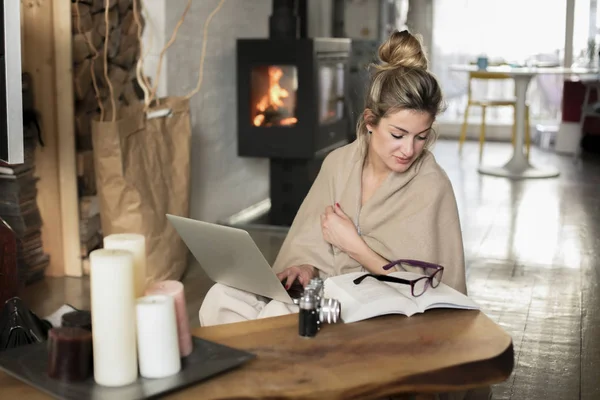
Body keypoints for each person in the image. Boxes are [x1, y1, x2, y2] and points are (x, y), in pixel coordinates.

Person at [199, 29, 467, 326]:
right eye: (398, 134)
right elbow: (308, 243)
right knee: (221, 297)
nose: (409, 149)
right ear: (370, 122)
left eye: (421, 137)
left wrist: (355, 246)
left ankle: (268, 364)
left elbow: (429, 295)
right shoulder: (339, 164)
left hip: (382, 309)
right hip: (327, 290)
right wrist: (305, 267)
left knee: (280, 317)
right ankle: (250, 368)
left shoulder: (432, 184)